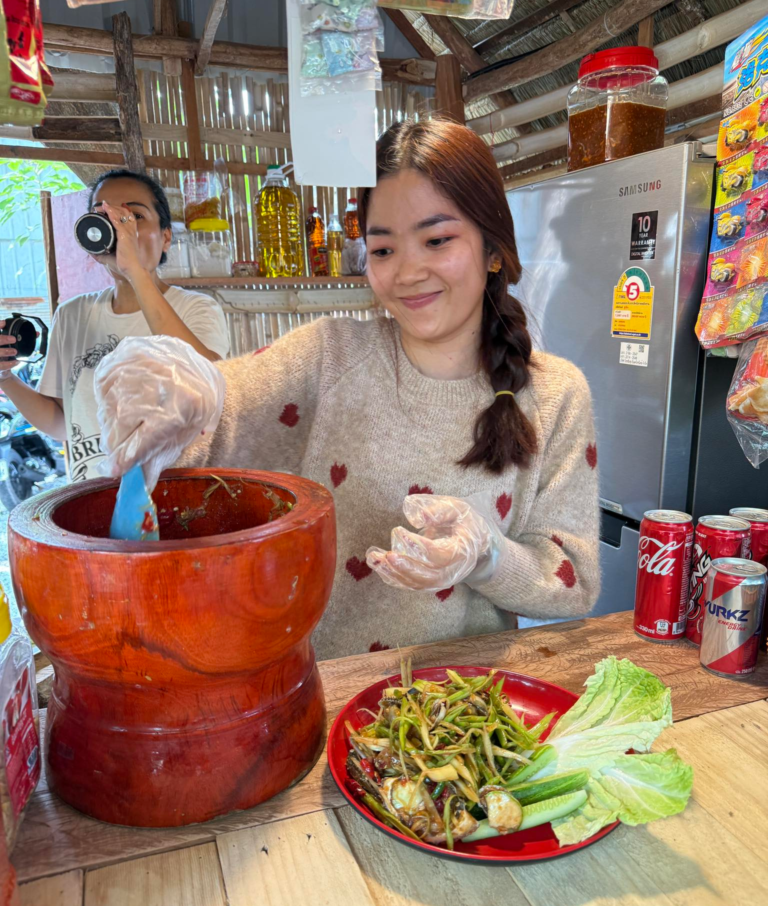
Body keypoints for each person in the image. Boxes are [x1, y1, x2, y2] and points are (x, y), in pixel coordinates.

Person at [95, 119, 600, 660]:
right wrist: (177, 389)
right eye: (382, 250)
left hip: (469, 710)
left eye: (437, 240)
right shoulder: (329, 356)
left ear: (493, 249)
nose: (406, 272)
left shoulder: (555, 394)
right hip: (326, 693)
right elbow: (217, 417)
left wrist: (487, 556)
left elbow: (575, 580)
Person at [0, 169, 230, 482]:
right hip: (90, 499)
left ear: (166, 237)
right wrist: (5, 377)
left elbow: (211, 389)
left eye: (134, 216)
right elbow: (62, 423)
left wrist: (135, 270)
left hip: (175, 494)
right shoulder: (72, 315)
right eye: (105, 217)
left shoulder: (196, 308)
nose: (122, 229)